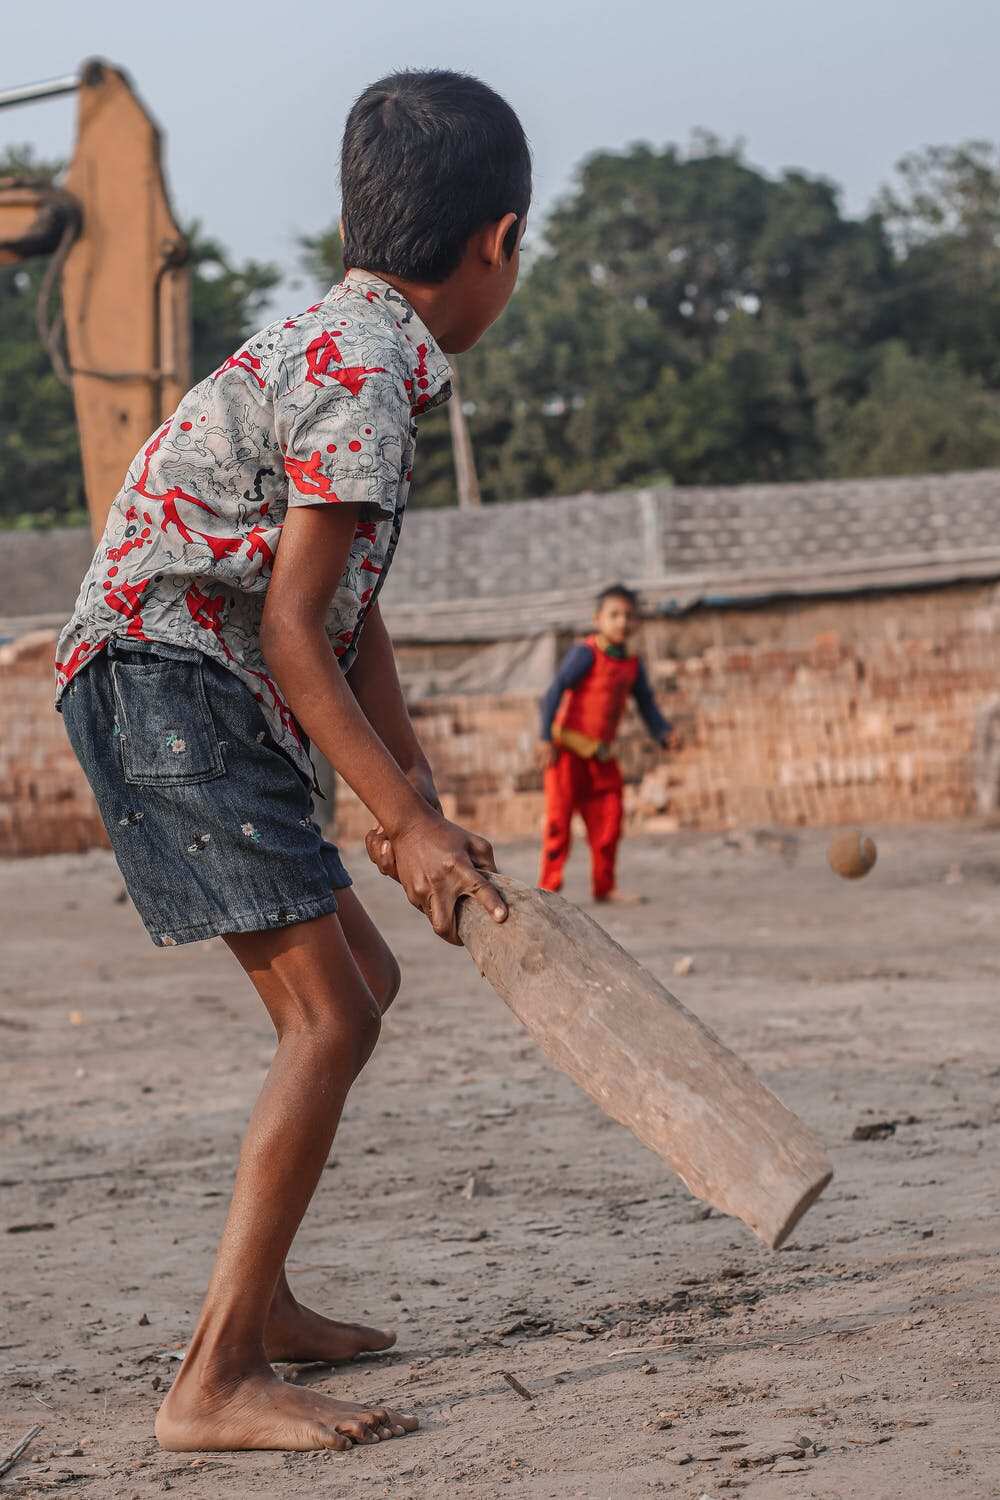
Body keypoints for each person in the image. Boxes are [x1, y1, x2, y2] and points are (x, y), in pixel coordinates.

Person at [55, 70, 530, 1455]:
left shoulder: (348, 342)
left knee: (363, 983)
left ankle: (260, 1307)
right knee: (332, 1015)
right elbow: (289, 625)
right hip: (165, 682)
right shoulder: (372, 376)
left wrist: (415, 807)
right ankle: (210, 1382)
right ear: (500, 240)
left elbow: (345, 606)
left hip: (194, 679)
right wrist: (398, 814)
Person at [537, 584, 673, 903]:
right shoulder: (585, 653)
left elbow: (647, 705)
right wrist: (545, 737)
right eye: (614, 615)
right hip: (567, 753)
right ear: (598, 619)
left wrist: (663, 732)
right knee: (559, 823)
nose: (622, 622)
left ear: (636, 622)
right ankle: (548, 889)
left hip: (601, 755)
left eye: (628, 616)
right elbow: (554, 691)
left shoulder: (632, 665)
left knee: (610, 820)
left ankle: (605, 886)